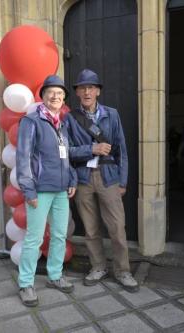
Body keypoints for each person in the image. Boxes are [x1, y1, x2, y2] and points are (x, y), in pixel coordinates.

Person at [65, 69, 139, 293]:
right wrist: (92, 149)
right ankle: (98, 267)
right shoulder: (70, 118)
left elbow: (122, 151)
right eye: (82, 88)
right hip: (84, 179)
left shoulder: (112, 114)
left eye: (91, 88)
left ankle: (123, 271)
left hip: (109, 177)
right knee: (90, 229)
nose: (86, 91)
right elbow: (67, 151)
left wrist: (123, 181)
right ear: (77, 93)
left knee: (117, 227)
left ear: (97, 91)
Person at [16, 75, 77, 307]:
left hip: (61, 190)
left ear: (63, 99)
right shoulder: (31, 122)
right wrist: (28, 190)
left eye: (60, 94)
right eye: (51, 92)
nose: (55, 96)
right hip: (40, 190)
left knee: (60, 234)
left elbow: (66, 155)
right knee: (34, 238)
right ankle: (26, 283)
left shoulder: (61, 124)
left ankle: (54, 275)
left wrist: (71, 177)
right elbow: (23, 158)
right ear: (42, 96)